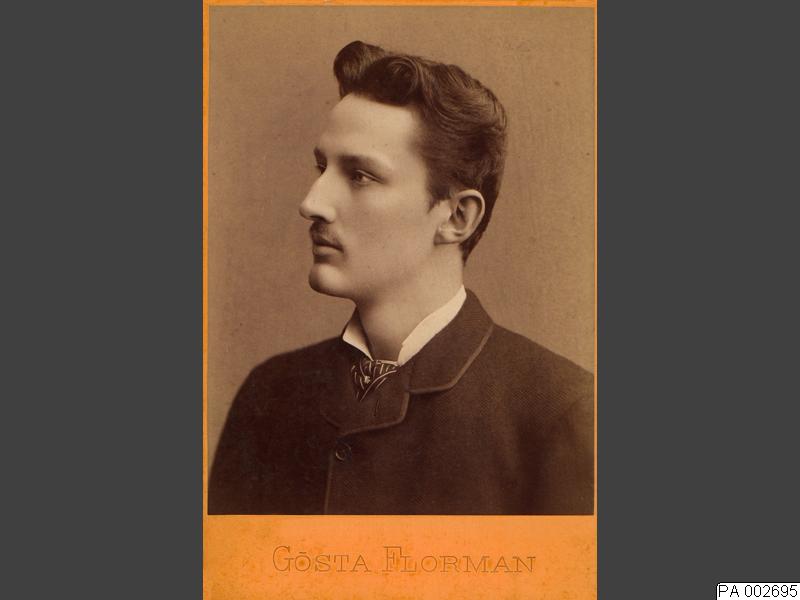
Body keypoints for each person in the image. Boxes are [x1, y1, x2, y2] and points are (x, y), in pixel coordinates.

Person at [209, 40, 593, 515]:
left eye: (360, 175)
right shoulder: (270, 395)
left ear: (456, 217)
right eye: (322, 168)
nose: (312, 203)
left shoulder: (559, 412)